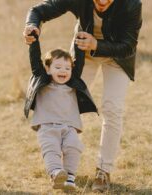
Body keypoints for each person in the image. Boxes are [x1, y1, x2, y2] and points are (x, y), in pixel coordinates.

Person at [23, 0, 142, 192]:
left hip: (117, 57)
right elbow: (39, 10)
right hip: (83, 54)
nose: (102, 2)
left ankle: (104, 171)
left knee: (113, 109)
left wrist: (97, 44)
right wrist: (32, 25)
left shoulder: (132, 4)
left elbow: (128, 45)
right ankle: (58, 165)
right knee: (63, 99)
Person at [24, 32, 97, 191]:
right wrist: (33, 40)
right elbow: (35, 60)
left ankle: (70, 178)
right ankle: (56, 173)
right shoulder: (42, 79)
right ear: (48, 69)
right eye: (57, 67)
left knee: (73, 147)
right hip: (47, 126)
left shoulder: (73, 82)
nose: (63, 71)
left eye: (67, 68)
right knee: (51, 149)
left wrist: (81, 38)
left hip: (69, 126)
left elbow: (79, 59)